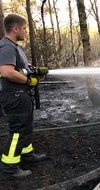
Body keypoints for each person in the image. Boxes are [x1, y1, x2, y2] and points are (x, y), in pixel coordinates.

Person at [0, 14, 48, 178]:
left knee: (26, 127)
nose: (26, 31)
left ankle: (27, 155)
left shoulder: (15, 47)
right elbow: (7, 72)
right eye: (24, 28)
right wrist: (29, 81)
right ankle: (9, 167)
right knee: (17, 132)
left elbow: (21, 68)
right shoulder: (7, 47)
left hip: (21, 95)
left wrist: (34, 70)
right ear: (15, 29)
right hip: (14, 95)